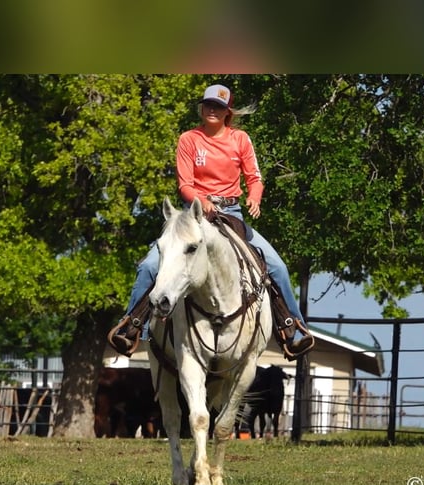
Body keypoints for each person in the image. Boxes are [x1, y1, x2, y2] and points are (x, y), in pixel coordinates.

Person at [108, 84, 314, 360]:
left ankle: (294, 331)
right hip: (193, 216)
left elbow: (254, 178)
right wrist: (201, 201)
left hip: (232, 214)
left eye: (218, 107)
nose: (212, 110)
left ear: (227, 112)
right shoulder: (189, 139)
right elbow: (185, 184)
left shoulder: (240, 139)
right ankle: (132, 328)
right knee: (148, 266)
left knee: (277, 266)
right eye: (208, 105)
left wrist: (255, 197)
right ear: (202, 108)